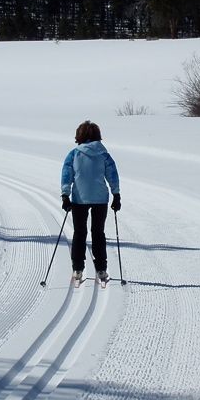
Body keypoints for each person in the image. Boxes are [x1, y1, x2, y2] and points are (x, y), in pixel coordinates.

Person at [60, 120, 121, 283]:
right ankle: (101, 269)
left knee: (80, 233)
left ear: (79, 136)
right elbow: (112, 175)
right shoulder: (104, 154)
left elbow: (67, 175)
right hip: (100, 198)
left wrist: (65, 195)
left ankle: (77, 269)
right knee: (98, 233)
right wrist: (116, 195)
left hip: (80, 198)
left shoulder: (73, 154)